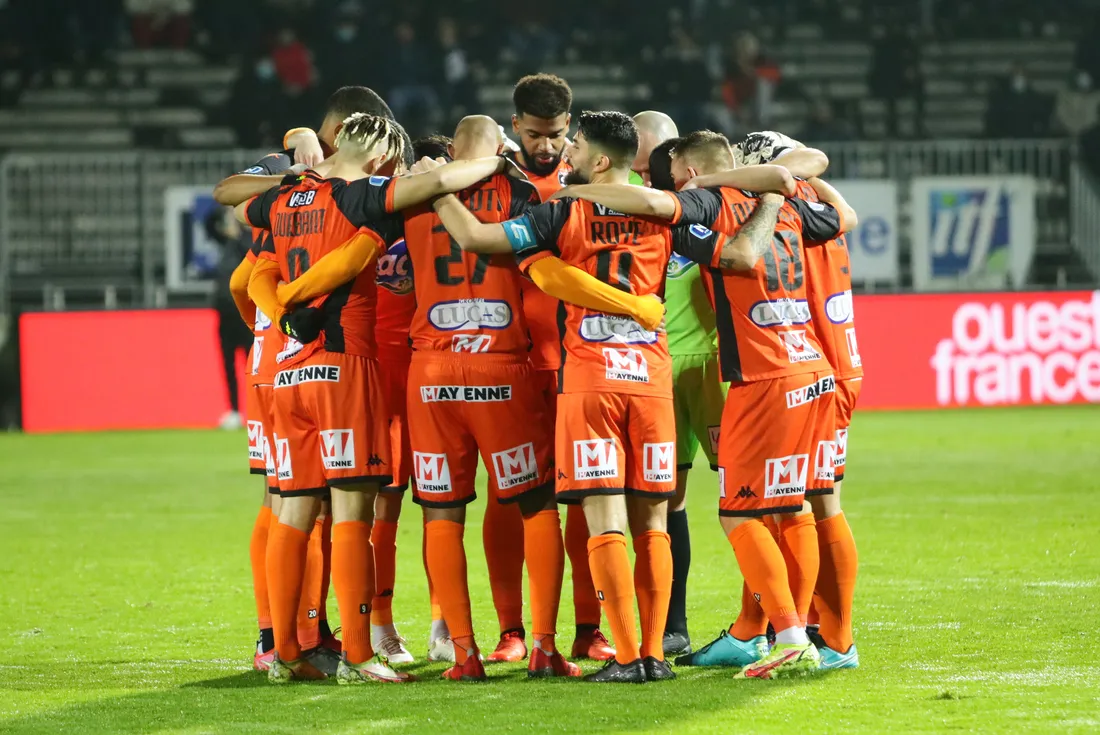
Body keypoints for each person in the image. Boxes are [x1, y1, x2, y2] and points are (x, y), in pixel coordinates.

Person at [267, 115, 664, 682]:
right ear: (500, 147)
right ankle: (545, 646)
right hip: (504, 370)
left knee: (439, 515)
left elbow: (338, 228)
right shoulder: (522, 191)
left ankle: (463, 652)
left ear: (453, 149)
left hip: (432, 376)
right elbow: (543, 266)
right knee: (536, 507)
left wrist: (301, 162)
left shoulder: (412, 198)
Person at [551, 129, 856, 679]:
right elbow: (844, 218)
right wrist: (774, 191)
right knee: (792, 507)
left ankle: (787, 634)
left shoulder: (706, 202)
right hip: (810, 366)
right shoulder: (784, 204)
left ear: (687, 173)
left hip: (760, 378)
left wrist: (575, 195)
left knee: (738, 512)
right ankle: (823, 637)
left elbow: (650, 205)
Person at [240, 113, 522, 683]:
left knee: (290, 510)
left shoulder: (286, 196)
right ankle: (361, 654)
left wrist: (286, 307)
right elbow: (440, 184)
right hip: (347, 366)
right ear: (378, 160)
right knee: (352, 514)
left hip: (287, 370)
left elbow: (239, 234)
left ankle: (285, 650)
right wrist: (495, 160)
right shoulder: (367, 195)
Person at [432, 111, 688, 683]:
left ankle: (625, 657)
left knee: (605, 522)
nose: (565, 151)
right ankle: (653, 655)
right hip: (651, 379)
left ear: (598, 159)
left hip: (591, 379)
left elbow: (475, 238)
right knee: (654, 523)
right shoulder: (668, 208)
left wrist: (434, 192)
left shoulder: (560, 211)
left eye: (574, 143)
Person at [729, 131, 863, 670]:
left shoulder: (787, 212)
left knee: (798, 503)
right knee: (796, 502)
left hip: (810, 368)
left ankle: (830, 638)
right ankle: (806, 630)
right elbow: (843, 208)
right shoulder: (821, 207)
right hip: (832, 366)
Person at [500, 74, 615, 663]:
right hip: (512, 364)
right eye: (537, 135)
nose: (547, 146)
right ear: (515, 124)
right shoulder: (492, 179)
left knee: (580, 497)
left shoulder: (589, 183)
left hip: (576, 361)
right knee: (512, 496)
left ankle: (588, 626)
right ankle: (512, 629)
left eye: (557, 135)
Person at [632, 118, 727, 660]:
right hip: (656, 373)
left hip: (713, 371)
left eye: (653, 168)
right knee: (666, 501)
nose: (646, 177)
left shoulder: (705, 208)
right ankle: (673, 624)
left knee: (753, 497)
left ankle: (768, 623)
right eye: (639, 169)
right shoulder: (637, 218)